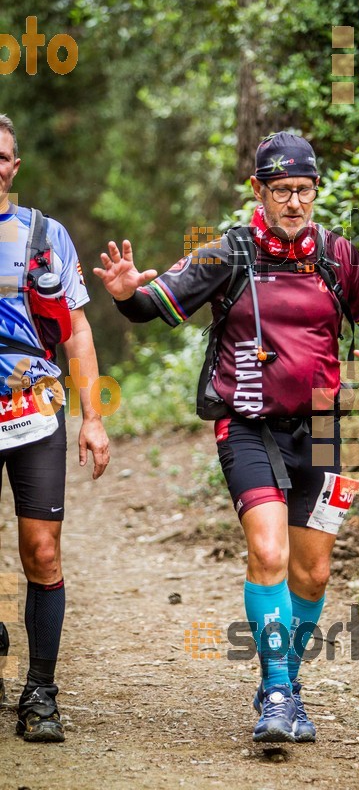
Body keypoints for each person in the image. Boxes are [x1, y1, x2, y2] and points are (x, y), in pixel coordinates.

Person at [95, 131, 359, 743]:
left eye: (305, 190)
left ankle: (284, 679)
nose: (295, 202)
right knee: (268, 553)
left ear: (316, 191)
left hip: (325, 427)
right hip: (246, 424)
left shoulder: (339, 256)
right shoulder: (227, 255)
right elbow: (152, 306)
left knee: (313, 574)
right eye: (282, 190)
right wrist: (128, 295)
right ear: (258, 191)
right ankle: (278, 692)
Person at [0, 114, 110, 742]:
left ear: (16, 166)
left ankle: (40, 690)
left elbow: (79, 331)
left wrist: (93, 417)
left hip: (33, 409)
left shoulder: (45, 235)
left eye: (5, 156)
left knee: (41, 551)